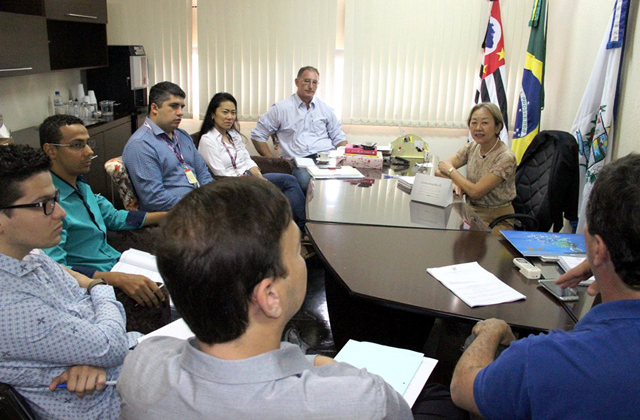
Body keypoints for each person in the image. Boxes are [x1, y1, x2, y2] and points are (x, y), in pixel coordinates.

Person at [118, 178, 412, 418]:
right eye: (298, 250)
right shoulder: (359, 399)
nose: (303, 259)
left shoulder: (142, 365)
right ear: (270, 296)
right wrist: (319, 363)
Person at [449, 153, 640, 419]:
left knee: (480, 340)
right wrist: (600, 262)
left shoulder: (544, 359)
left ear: (598, 248)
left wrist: (492, 332)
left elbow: (461, 389)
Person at [0, 144, 135, 419]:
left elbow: (104, 343)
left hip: (123, 371)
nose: (60, 212)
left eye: (56, 199)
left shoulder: (33, 256)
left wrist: (92, 353)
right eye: (44, 205)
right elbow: (110, 345)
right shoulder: (8, 305)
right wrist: (98, 286)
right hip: (109, 406)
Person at [40, 115, 166, 308]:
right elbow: (55, 268)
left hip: (117, 261)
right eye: (77, 145)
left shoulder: (79, 184)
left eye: (88, 143)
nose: (89, 152)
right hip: (94, 282)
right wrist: (112, 279)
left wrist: (168, 215)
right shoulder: (47, 204)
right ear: (51, 151)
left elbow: (114, 217)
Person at [196, 92, 306, 231]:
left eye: (233, 112)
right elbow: (220, 174)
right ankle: (286, 232)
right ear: (213, 114)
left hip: (248, 177)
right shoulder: (208, 140)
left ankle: (301, 229)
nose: (230, 117)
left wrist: (259, 178)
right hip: (232, 185)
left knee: (289, 181)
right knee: (271, 195)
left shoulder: (233, 134)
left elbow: (247, 159)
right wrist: (250, 182)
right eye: (225, 112)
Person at [251, 66, 348, 193]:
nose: (310, 86)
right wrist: (273, 161)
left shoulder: (326, 109)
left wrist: (345, 156)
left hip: (326, 157)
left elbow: (339, 138)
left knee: (345, 181)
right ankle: (307, 213)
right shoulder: (281, 108)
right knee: (305, 183)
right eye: (307, 81)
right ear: (297, 82)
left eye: (314, 82)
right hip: (300, 161)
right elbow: (257, 135)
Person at [123, 81, 214, 211]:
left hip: (199, 205)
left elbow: (203, 174)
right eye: (174, 106)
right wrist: (197, 206)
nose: (180, 112)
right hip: (175, 215)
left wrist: (214, 198)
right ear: (155, 108)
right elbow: (154, 199)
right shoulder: (141, 144)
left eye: (182, 107)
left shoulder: (182, 136)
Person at [436, 102, 516, 233]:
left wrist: (452, 173)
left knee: (473, 248)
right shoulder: (472, 147)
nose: (478, 128)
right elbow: (440, 168)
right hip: (470, 212)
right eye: (473, 123)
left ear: (498, 127)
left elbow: (476, 192)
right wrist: (456, 181)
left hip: (496, 218)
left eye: (484, 123)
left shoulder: (505, 157)